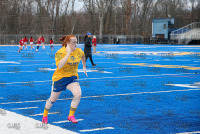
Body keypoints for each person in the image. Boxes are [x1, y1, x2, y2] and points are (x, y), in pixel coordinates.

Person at [42, 35, 88, 124]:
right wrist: (68, 53)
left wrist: (84, 67)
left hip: (72, 78)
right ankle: (45, 115)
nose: (76, 44)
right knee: (52, 100)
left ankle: (71, 115)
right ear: (67, 43)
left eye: (76, 41)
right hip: (59, 79)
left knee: (78, 94)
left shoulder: (79, 51)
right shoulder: (60, 52)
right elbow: (59, 66)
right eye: (73, 42)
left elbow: (83, 56)